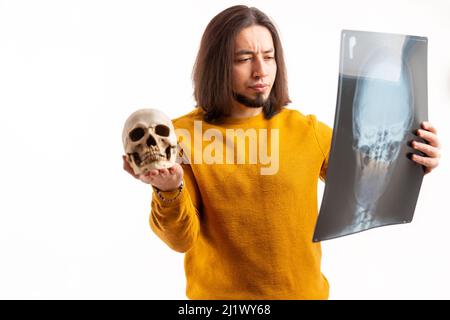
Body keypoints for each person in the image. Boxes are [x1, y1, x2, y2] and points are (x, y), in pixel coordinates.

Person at [123, 5, 441, 299]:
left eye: (269, 56)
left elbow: (372, 185)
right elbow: (181, 241)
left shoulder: (307, 131)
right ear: (217, 64)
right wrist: (168, 190)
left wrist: (415, 160)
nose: (261, 70)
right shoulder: (182, 138)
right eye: (244, 58)